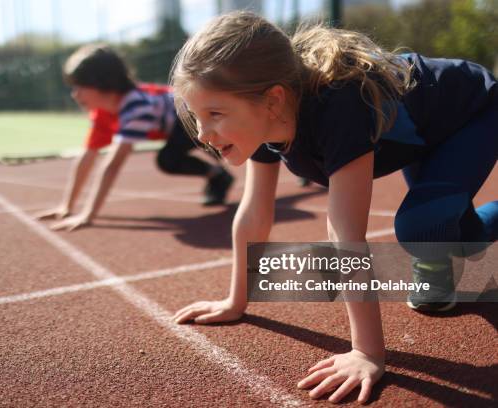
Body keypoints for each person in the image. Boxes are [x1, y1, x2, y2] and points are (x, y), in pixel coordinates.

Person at [170, 11, 497, 404]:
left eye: (215, 114)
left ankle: (437, 259)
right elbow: (255, 213)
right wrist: (235, 301)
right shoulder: (268, 116)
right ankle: (446, 253)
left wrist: (367, 352)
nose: (203, 135)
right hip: (423, 130)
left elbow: (345, 234)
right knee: (445, 231)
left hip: (473, 111)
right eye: (196, 116)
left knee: (420, 227)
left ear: (272, 99)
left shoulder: (338, 105)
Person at [36, 44, 234, 230]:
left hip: (188, 116)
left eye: (79, 87)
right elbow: (87, 157)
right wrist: (67, 206)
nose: (74, 94)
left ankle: (221, 173)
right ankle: (218, 175)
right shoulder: (102, 113)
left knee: (171, 159)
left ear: (103, 83)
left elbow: (112, 166)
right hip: (174, 125)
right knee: (172, 158)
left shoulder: (135, 106)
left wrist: (88, 215)